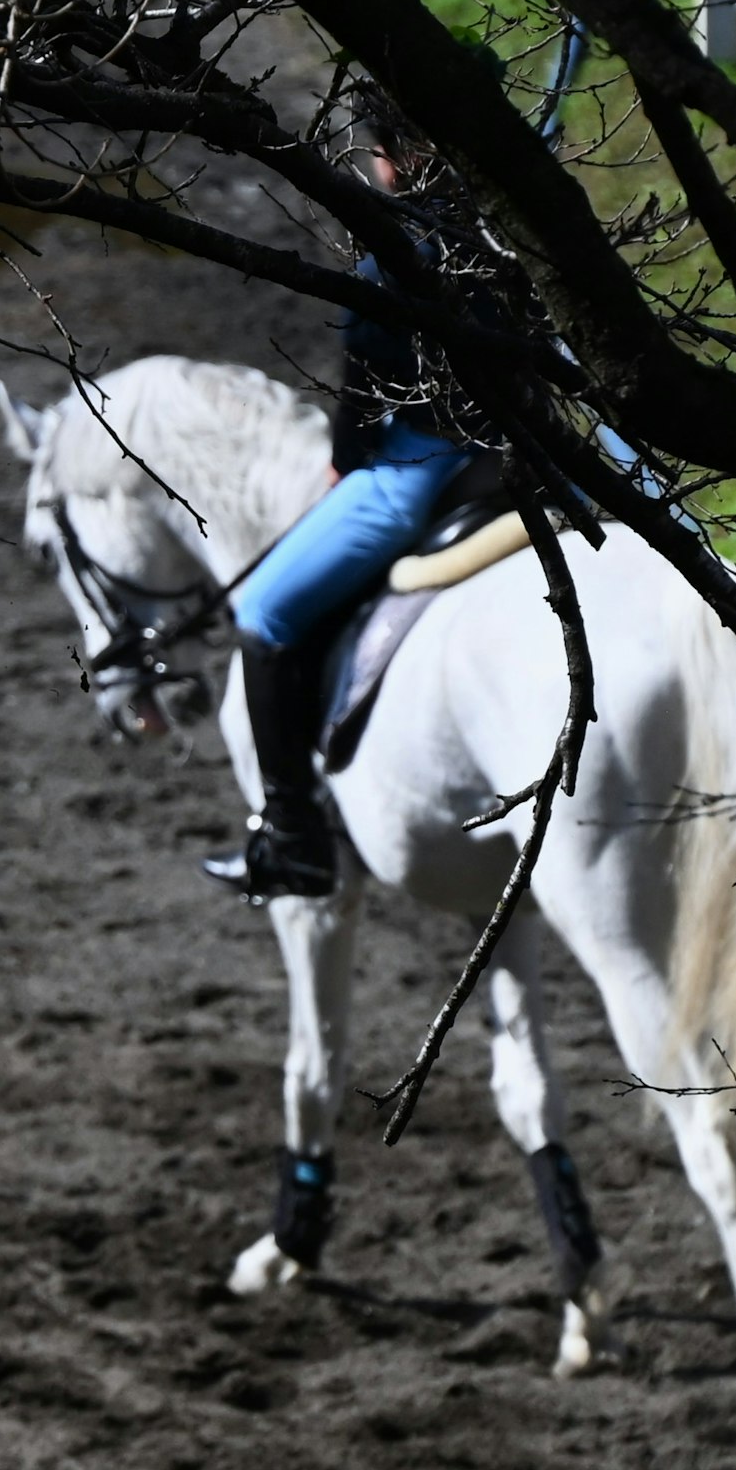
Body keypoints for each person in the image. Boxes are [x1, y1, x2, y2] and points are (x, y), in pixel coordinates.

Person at [204, 110, 499, 902]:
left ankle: (295, 839)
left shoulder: (390, 259)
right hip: (520, 462)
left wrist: (343, 461)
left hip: (421, 465)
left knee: (263, 612)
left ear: (394, 162)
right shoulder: (510, 235)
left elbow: (366, 389)